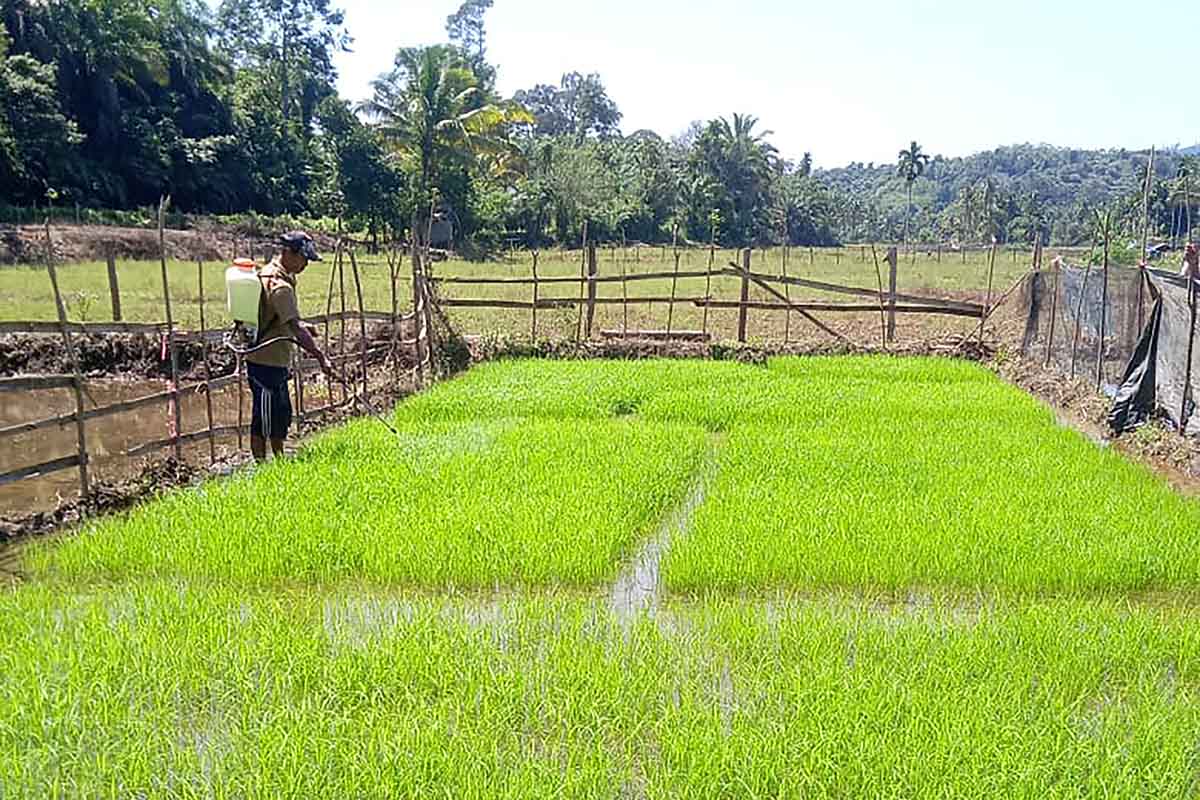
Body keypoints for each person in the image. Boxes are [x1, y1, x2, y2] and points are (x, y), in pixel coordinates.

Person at [246, 231, 334, 462]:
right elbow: (294, 327)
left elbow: (278, 318)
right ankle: (262, 467)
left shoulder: (270, 274)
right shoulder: (280, 285)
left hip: (275, 359)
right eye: (304, 258)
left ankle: (279, 460)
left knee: (281, 414)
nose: (306, 264)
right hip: (265, 360)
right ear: (289, 253)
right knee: (264, 418)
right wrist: (320, 356)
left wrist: (304, 327)